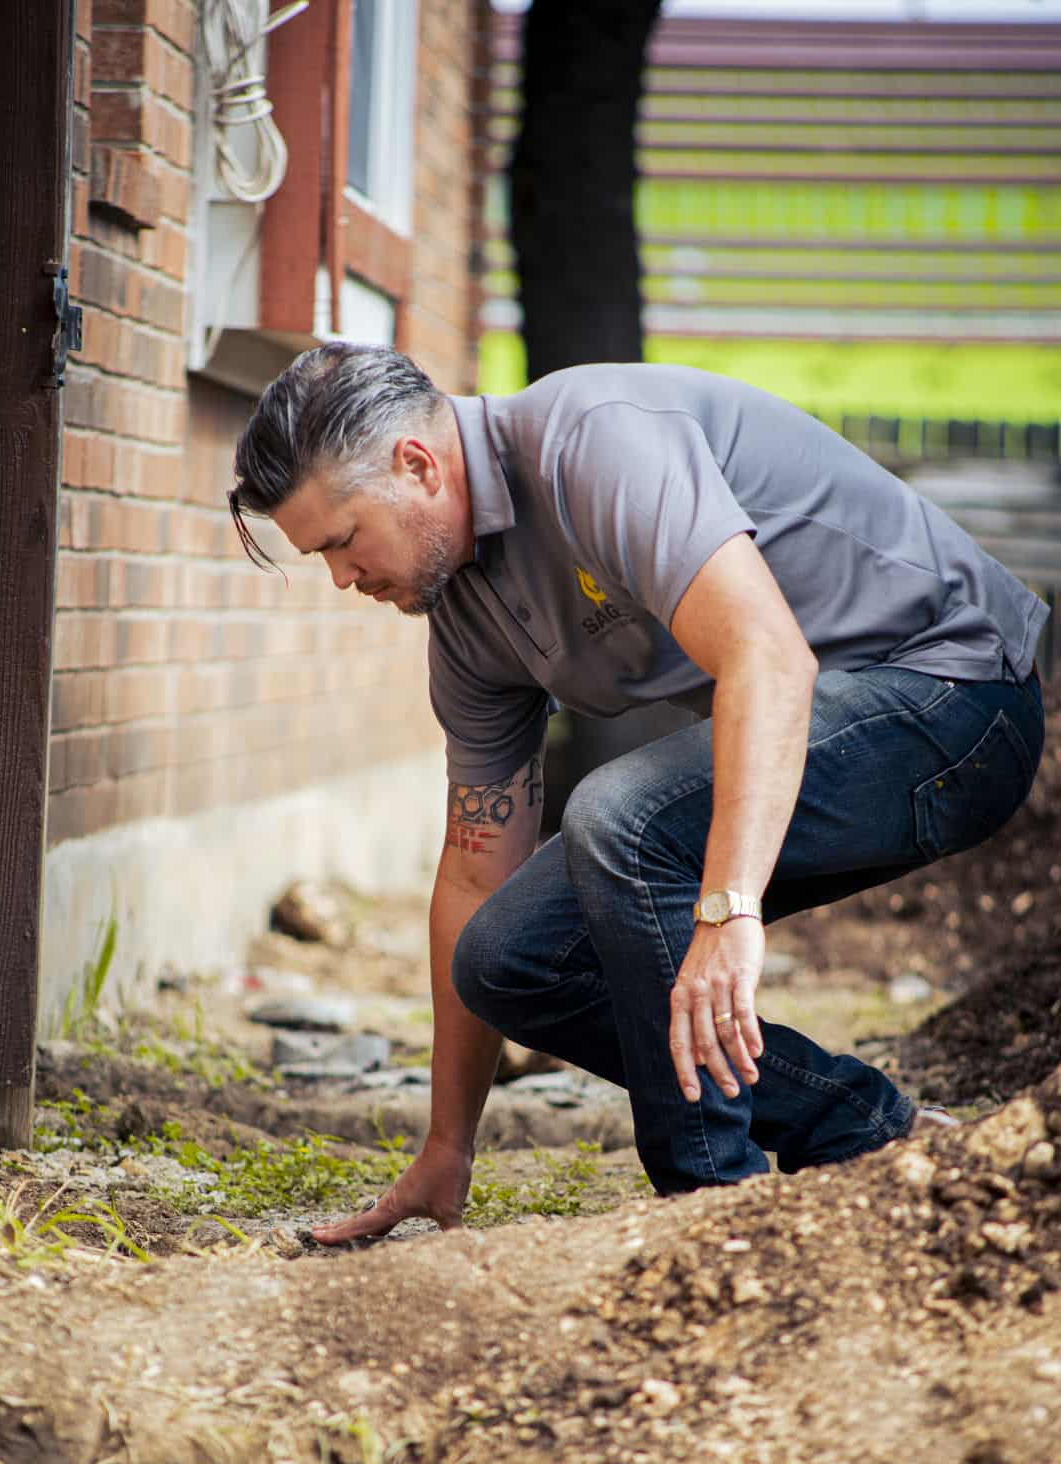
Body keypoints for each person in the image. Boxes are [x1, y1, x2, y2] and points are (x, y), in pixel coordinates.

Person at [229, 344, 1047, 1245]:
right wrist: (446, 1147)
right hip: (823, 735)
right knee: (507, 959)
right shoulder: (464, 622)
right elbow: (474, 880)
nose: (342, 580)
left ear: (416, 467)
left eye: (342, 542)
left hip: (959, 700)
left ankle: (710, 1219)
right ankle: (868, 1132)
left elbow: (766, 659)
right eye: (321, 559)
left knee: (624, 818)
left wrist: (728, 912)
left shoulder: (592, 443)